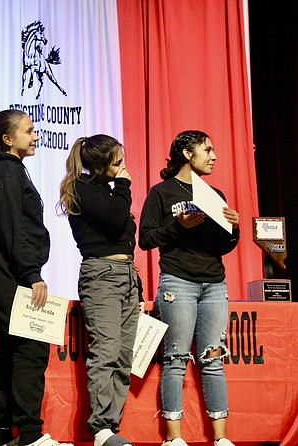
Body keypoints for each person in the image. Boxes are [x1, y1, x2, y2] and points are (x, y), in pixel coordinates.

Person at [139, 130, 240, 446]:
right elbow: (145, 239)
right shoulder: (161, 193)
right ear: (186, 153)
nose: (214, 155)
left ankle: (220, 438)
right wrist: (177, 226)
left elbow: (223, 246)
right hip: (178, 282)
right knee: (176, 358)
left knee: (212, 358)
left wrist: (233, 230)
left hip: (214, 284)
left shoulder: (215, 194)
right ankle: (174, 437)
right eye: (207, 149)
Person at [0, 109, 67, 446]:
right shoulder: (7, 170)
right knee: (31, 346)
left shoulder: (9, 170)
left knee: (12, 349)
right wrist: (31, 274)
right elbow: (13, 224)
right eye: (29, 131)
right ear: (8, 139)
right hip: (5, 268)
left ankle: (2, 434)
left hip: (4, 266)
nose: (36, 136)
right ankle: (29, 434)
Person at [57, 135, 140, 446]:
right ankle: (101, 427)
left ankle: (111, 428)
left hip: (126, 275)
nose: (122, 168)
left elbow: (125, 231)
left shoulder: (105, 191)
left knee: (123, 355)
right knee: (105, 352)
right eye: (117, 162)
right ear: (100, 164)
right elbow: (115, 219)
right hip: (102, 276)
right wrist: (123, 186)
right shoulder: (83, 188)